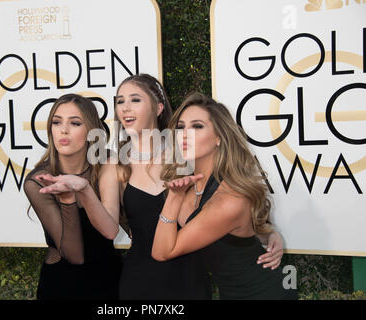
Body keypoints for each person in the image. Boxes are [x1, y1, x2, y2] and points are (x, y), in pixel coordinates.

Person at [39, 74, 284, 300]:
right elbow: (110, 230)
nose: (125, 107)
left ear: (158, 108)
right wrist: (84, 190)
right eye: (120, 101)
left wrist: (266, 233)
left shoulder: (186, 152)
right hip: (141, 279)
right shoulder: (115, 163)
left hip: (190, 279)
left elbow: (221, 208)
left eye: (135, 99)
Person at [151, 92, 297, 299]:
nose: (184, 134)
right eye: (181, 127)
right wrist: (271, 234)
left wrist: (173, 198)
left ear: (218, 137)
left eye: (197, 126)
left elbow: (162, 252)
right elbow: (246, 232)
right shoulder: (189, 183)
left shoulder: (229, 198)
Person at [23, 93, 121, 300]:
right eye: (57, 122)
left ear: (91, 131)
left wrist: (84, 189)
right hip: (62, 285)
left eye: (75, 123)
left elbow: (110, 231)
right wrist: (68, 199)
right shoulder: (38, 181)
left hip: (109, 280)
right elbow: (74, 256)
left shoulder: (107, 163)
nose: (63, 130)